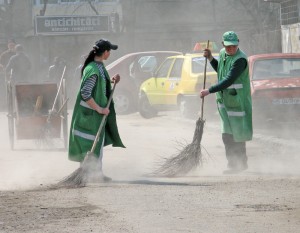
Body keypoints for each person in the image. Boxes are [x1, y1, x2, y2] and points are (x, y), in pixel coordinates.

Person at [68, 39, 125, 182]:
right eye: (109, 51)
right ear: (105, 52)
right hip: (89, 115)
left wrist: (112, 81)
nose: (110, 53)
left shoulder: (98, 66)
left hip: (93, 115)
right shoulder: (93, 69)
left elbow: (99, 84)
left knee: (95, 145)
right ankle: (92, 175)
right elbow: (86, 93)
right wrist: (99, 109)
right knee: (90, 145)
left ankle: (95, 173)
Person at [200, 31, 253, 174]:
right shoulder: (223, 53)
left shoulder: (240, 60)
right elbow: (221, 70)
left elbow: (229, 79)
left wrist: (209, 90)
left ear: (238, 43)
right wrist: (211, 58)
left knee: (238, 134)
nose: (231, 49)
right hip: (224, 102)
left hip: (238, 101)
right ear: (223, 45)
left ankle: (239, 164)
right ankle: (233, 164)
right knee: (227, 135)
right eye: (228, 46)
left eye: (234, 46)